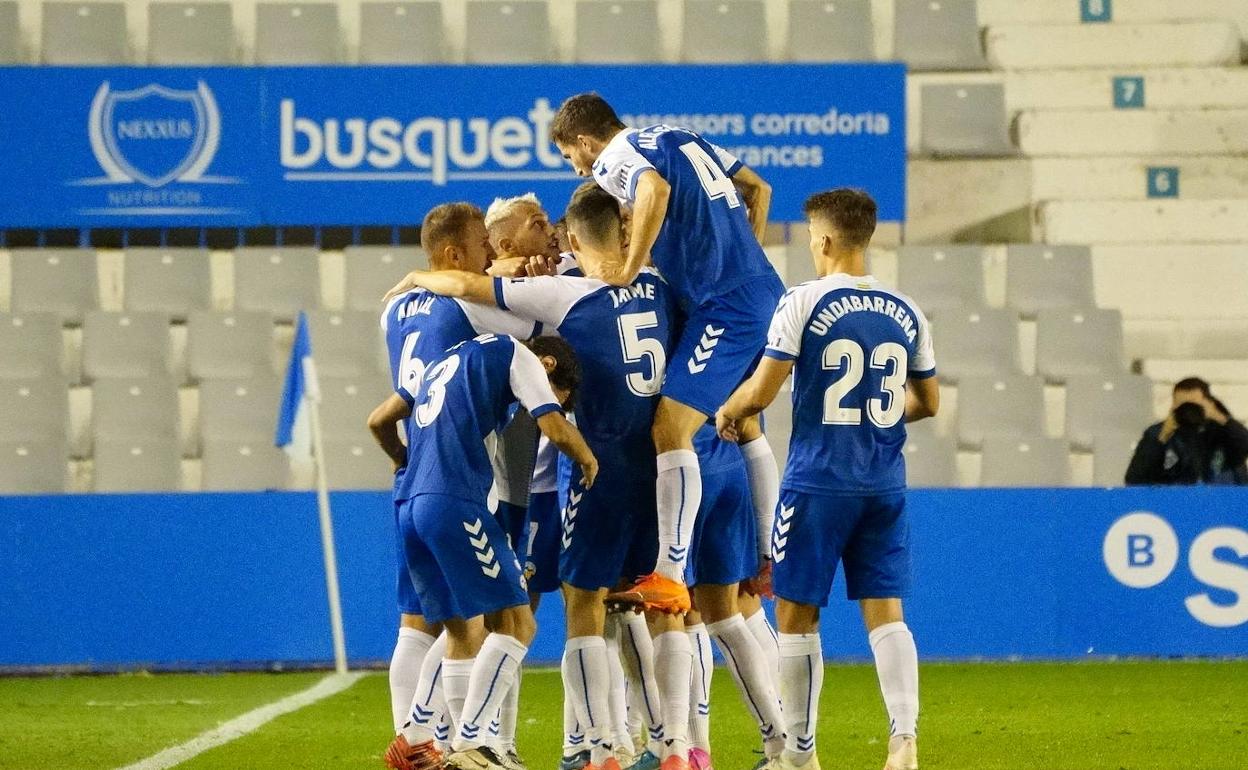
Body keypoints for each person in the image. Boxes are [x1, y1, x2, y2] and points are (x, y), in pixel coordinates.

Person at [387, 183, 696, 770]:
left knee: (563, 608)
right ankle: (668, 744)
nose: (550, 235)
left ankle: (587, 744)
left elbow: (459, 294)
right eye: (535, 225)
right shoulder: (654, 287)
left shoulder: (554, 294)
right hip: (573, 477)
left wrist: (418, 277)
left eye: (555, 227)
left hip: (530, 479)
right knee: (629, 604)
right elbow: (473, 288)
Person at [716, 189, 939, 770]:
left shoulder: (804, 301)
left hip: (817, 482)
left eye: (814, 239)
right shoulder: (907, 309)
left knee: (796, 616)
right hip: (883, 484)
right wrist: (874, 414)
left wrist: (729, 410)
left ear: (826, 239)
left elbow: (762, 391)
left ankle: (801, 753)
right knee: (886, 613)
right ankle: (904, 739)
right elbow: (928, 402)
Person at [550, 93, 785, 614]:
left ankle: (671, 574)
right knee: (742, 424)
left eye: (570, 157)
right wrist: (743, 254)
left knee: (669, 429)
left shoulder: (615, 157)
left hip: (725, 307)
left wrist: (629, 267)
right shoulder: (677, 134)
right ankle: (769, 555)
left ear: (585, 141)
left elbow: (653, 189)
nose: (578, 169)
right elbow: (758, 188)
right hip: (761, 289)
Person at [368, 333, 598, 770]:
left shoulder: (444, 359)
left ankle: (416, 738)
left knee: (461, 630)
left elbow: (378, 420)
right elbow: (555, 428)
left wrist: (403, 460)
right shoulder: (517, 354)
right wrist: (588, 459)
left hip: (410, 505)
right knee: (516, 623)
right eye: (557, 396)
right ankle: (474, 743)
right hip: (456, 502)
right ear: (548, 365)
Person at [376, 202, 543, 770]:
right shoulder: (469, 306)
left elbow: (397, 399)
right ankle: (461, 743)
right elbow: (538, 332)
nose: (489, 257)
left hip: (412, 474)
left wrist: (400, 457)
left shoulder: (394, 310)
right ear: (453, 255)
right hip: (459, 474)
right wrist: (515, 278)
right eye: (481, 248)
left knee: (418, 621)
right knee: (477, 622)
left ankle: (416, 743)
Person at [1126, 377, 1248, 485]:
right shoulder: (1158, 434)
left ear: (1209, 403)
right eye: (1183, 406)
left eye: (1194, 406)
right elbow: (1135, 478)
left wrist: (1220, 417)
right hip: (1177, 500)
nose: (1189, 411)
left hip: (1224, 499)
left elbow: (1244, 446)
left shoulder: (1223, 432)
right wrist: (1161, 438)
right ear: (1173, 406)